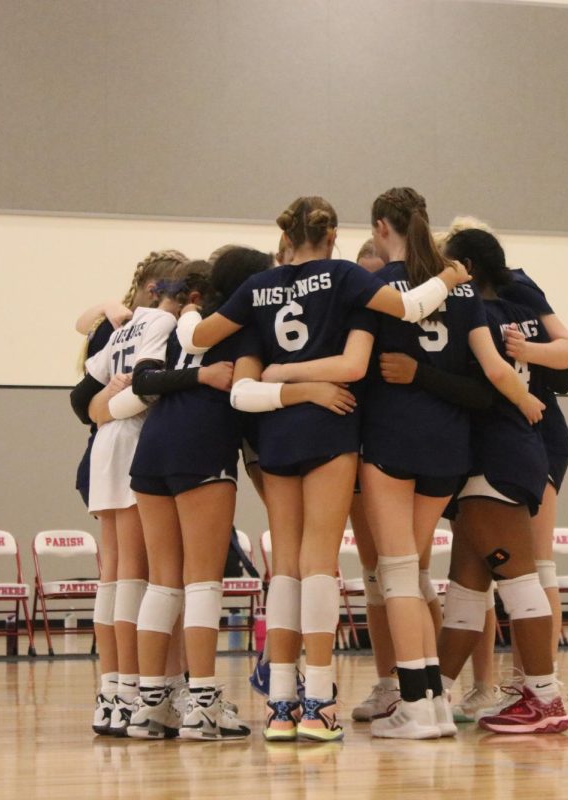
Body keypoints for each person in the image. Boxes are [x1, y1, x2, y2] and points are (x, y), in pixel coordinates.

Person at [175, 195, 469, 741]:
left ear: (286, 236)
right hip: (332, 426)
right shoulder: (345, 278)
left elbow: (196, 341)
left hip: (276, 430)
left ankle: (280, 705)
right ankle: (319, 701)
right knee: (319, 563)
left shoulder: (258, 288)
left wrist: (187, 304)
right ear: (333, 236)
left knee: (285, 562)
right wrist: (450, 277)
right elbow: (409, 308)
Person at [356, 187, 544, 739]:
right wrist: (526, 400)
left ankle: (417, 706)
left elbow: (357, 365)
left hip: (393, 443)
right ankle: (434, 702)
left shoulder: (374, 287)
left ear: (379, 227)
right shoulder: (463, 290)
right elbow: (491, 372)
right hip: (449, 451)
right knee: (415, 575)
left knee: (396, 576)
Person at [128, 249, 271, 740]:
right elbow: (247, 398)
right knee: (203, 581)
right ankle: (204, 703)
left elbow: (145, 381)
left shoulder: (179, 323)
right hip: (201, 447)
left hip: (151, 448)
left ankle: (151, 705)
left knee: (163, 581)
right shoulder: (244, 328)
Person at [435, 227, 568, 735]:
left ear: (466, 267)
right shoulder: (520, 314)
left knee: (518, 579)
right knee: (467, 589)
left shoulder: (475, 315)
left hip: (496, 455)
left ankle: (544, 696)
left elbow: (485, 382)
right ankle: (430, 694)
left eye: (447, 265)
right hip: (512, 453)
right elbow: (567, 361)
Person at [69, 250, 187, 735]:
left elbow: (88, 396)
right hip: (135, 444)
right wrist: (112, 404)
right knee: (137, 577)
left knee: (115, 575)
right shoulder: (160, 325)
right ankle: (135, 690)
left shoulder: (122, 325)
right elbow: (141, 389)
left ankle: (113, 692)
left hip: (106, 450)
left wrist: (104, 405)